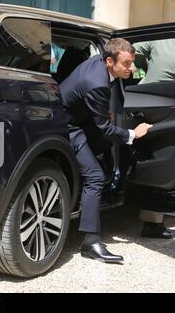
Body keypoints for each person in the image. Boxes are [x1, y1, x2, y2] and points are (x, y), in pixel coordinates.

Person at [60, 38, 153, 263]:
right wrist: (133, 134)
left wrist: (101, 114)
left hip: (79, 118)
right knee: (95, 176)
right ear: (110, 61)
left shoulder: (99, 63)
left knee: (102, 152)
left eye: (133, 62)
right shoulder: (98, 84)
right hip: (66, 126)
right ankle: (90, 243)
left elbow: (100, 120)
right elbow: (103, 127)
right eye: (128, 63)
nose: (132, 68)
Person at [132, 39, 175, 239]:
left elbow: (134, 49)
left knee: (148, 156)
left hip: (142, 97)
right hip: (167, 103)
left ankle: (150, 219)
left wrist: (146, 66)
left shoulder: (162, 37)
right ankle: (152, 223)